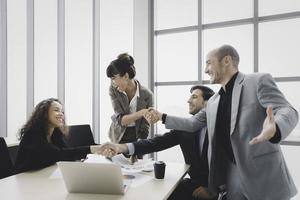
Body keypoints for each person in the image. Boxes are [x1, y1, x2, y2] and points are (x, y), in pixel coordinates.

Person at [146, 45, 298, 200]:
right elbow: (192, 124)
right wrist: (162, 117)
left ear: (226, 60)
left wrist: (276, 127)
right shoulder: (213, 101)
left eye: (208, 63)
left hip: (264, 179)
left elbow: (287, 110)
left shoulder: (257, 81)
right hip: (231, 181)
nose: (206, 70)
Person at [100, 85, 217, 200]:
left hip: (215, 190)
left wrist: (213, 190)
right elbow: (155, 143)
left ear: (207, 103)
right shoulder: (184, 128)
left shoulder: (218, 129)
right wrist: (121, 147)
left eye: (194, 97)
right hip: (194, 185)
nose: (188, 100)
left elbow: (228, 164)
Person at [14, 98, 102, 174]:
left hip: (42, 175)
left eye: (62, 112)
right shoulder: (33, 134)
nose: (61, 114)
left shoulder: (55, 133)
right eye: (56, 110)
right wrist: (92, 149)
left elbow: (66, 153)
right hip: (25, 178)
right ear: (44, 114)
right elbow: (57, 154)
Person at [106, 53, 153, 156]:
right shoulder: (113, 90)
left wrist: (141, 145)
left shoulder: (147, 95)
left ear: (126, 76)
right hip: (118, 135)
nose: (112, 82)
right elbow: (120, 120)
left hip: (137, 137)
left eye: (114, 78)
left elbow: (145, 126)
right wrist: (141, 113)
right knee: (117, 169)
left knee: (136, 170)